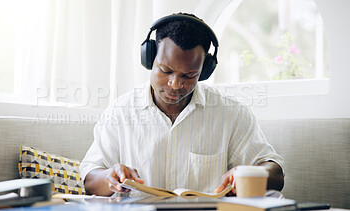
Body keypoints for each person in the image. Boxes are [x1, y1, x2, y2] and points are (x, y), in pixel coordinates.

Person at [80, 13, 284, 197]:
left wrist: (252, 174)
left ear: (204, 72)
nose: (175, 84)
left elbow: (276, 174)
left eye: (189, 75)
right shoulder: (119, 112)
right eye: (165, 70)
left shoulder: (232, 114)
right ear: (149, 58)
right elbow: (90, 181)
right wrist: (109, 176)